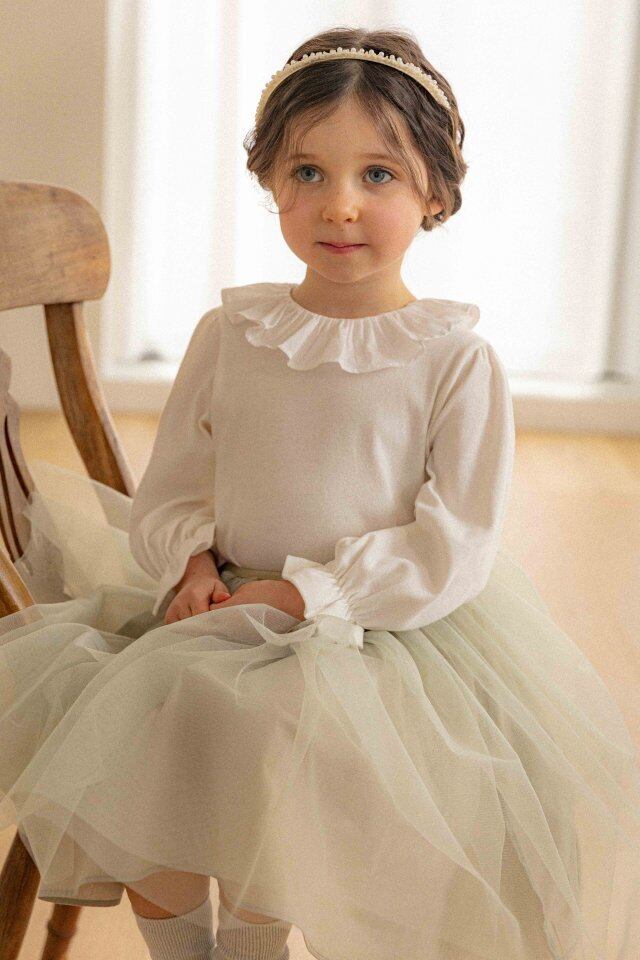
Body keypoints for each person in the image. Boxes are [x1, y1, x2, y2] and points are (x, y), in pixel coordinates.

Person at [1, 26, 640, 960]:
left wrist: (306, 595)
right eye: (308, 172)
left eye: (378, 174)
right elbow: (173, 487)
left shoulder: (453, 360)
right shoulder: (233, 334)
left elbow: (452, 540)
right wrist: (190, 562)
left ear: (436, 192)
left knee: (277, 761)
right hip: (221, 608)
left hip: (371, 630)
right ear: (269, 179)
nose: (339, 205)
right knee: (146, 735)